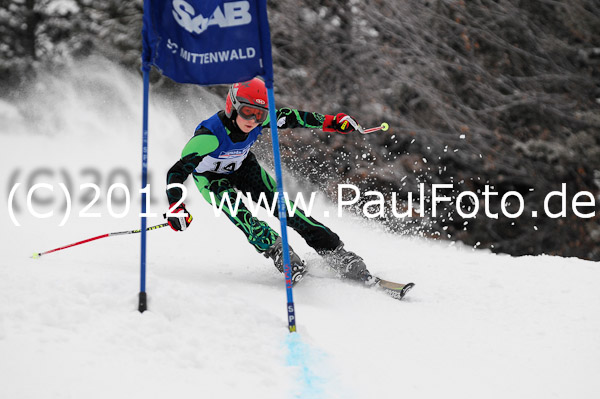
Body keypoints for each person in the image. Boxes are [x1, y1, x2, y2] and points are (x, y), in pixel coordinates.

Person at [165, 77, 373, 286]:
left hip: (243, 167)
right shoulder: (209, 136)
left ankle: (334, 252)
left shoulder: (259, 120)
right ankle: (277, 250)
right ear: (232, 106)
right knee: (241, 214)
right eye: (247, 112)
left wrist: (333, 122)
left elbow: (295, 118)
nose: (253, 120)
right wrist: (175, 205)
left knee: (283, 207)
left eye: (260, 114)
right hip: (212, 179)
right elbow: (176, 172)